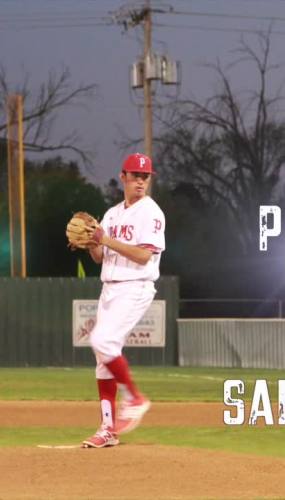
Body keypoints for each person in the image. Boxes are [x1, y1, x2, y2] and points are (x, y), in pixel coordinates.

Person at [82, 153, 166, 449]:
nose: (141, 180)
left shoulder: (151, 212)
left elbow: (144, 256)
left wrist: (105, 240)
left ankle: (134, 397)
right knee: (103, 359)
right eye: (135, 175)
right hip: (110, 288)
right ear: (123, 177)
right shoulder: (112, 214)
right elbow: (99, 256)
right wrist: (91, 242)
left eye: (145, 176)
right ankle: (107, 430)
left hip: (135, 286)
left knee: (102, 340)